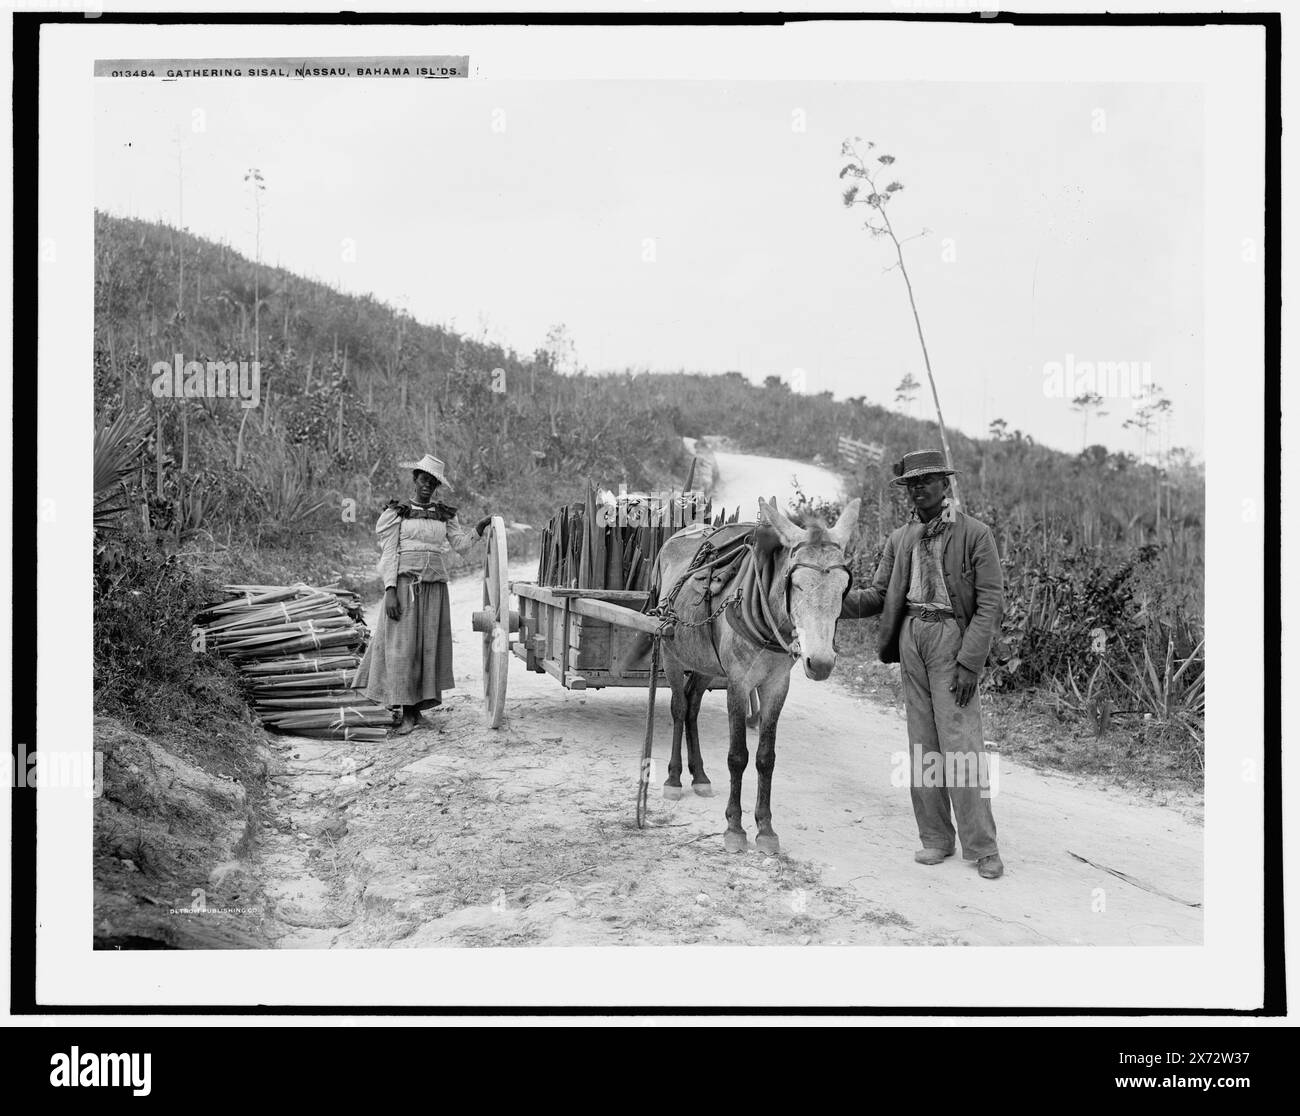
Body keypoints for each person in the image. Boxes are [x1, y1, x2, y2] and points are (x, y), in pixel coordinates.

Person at [839, 449, 1006, 879]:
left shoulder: (975, 534)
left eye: (926, 481)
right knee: (922, 745)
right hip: (912, 637)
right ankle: (935, 839)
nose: (918, 490)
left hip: (952, 640)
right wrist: (833, 599)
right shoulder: (900, 538)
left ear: (944, 485)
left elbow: (989, 603)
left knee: (961, 744)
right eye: (912, 483)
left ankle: (982, 847)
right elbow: (878, 595)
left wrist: (970, 663)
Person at [355, 453, 493, 736]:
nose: (427, 486)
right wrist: (390, 590)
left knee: (426, 649)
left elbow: (461, 546)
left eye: (432, 482)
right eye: (423, 480)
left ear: (437, 486)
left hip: (434, 589)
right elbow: (390, 553)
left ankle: (416, 711)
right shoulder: (398, 513)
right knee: (403, 648)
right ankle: (404, 713)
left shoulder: (445, 515)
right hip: (406, 588)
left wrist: (478, 529)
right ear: (414, 479)